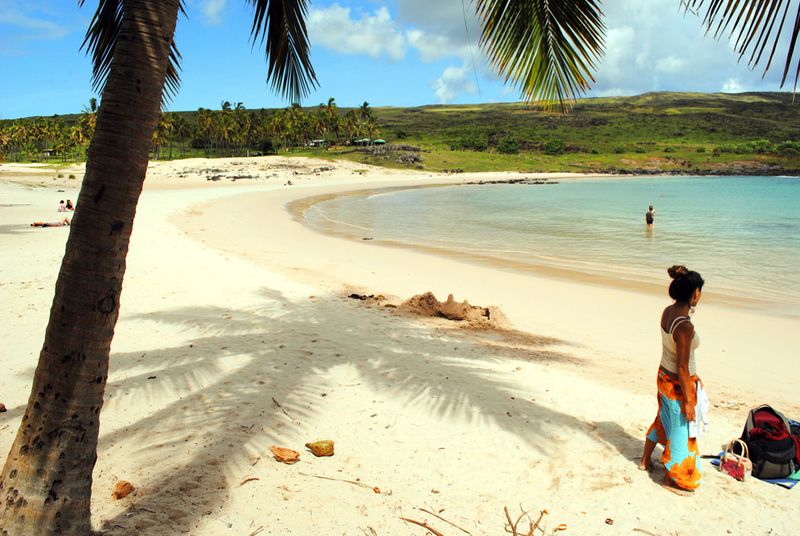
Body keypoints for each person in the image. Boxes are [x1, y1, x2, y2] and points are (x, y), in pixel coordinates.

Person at [640, 265, 705, 495]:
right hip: (678, 384)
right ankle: (670, 479)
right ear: (695, 293)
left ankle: (645, 460)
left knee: (662, 418)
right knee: (681, 432)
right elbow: (683, 366)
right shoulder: (685, 326)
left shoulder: (668, 311)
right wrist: (689, 401)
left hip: (663, 375)